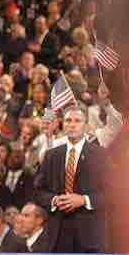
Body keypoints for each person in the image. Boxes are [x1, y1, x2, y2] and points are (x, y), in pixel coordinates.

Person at [35, 105, 106, 252]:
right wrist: (53, 200)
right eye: (68, 121)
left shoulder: (101, 156)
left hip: (89, 236)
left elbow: (112, 194)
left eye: (77, 121)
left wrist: (84, 200)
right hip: (57, 235)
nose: (72, 125)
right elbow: (38, 191)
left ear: (86, 125)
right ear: (63, 124)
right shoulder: (51, 155)